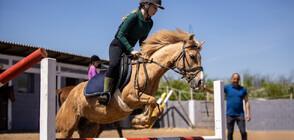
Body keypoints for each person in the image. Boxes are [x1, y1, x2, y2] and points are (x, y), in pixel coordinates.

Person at [99, 0, 165, 105]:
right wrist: (131, 49)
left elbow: (142, 41)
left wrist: (146, 53)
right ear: (147, 5)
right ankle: (105, 92)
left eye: (157, 9)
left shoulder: (149, 23)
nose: (156, 11)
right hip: (118, 45)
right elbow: (120, 35)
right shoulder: (133, 17)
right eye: (155, 8)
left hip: (130, 50)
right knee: (114, 64)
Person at [203, 73, 251, 140]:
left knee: (243, 132)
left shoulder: (243, 89)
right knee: (230, 133)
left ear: (239, 80)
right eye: (234, 79)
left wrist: (248, 114)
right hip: (229, 115)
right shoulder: (227, 88)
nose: (235, 80)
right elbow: (214, 91)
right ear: (231, 79)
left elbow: (246, 102)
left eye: (237, 79)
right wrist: (206, 89)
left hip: (240, 114)